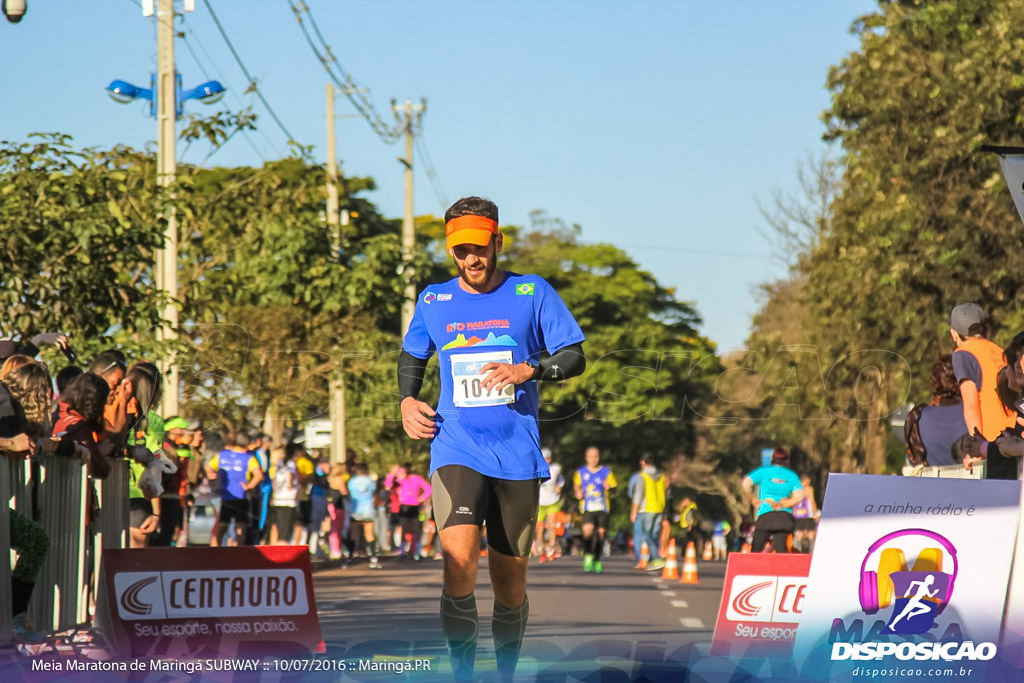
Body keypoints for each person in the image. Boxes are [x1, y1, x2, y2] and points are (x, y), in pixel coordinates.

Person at [397, 196, 586, 681]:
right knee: (458, 562)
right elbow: (413, 355)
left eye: (479, 249)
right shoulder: (434, 300)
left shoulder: (531, 292)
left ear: (497, 242)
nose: (471, 260)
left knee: (509, 582)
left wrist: (530, 369)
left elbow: (574, 356)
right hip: (455, 445)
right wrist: (407, 401)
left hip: (517, 455)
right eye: (461, 252)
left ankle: (504, 672)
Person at [949, 303, 1015, 441]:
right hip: (1015, 433)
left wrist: (976, 445)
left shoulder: (963, 354)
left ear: (954, 334)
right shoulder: (998, 350)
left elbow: (971, 405)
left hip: (994, 438)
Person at [904, 355, 968, 468]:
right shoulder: (976, 413)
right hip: (972, 482)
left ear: (934, 383)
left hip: (932, 484)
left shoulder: (916, 419)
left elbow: (914, 463)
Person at [206, 430, 263, 546]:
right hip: (241, 496)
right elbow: (259, 475)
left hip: (225, 496)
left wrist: (212, 478)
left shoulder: (222, 455)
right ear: (247, 444)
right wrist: (249, 486)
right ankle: (238, 555)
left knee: (221, 527)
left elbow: (208, 468)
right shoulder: (248, 458)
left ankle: (214, 554)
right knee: (240, 528)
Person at [742, 448, 805, 553]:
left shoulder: (763, 471)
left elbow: (745, 484)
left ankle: (753, 568)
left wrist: (753, 499)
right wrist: (787, 503)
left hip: (766, 514)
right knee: (781, 549)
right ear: (787, 461)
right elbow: (800, 496)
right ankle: (782, 568)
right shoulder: (792, 475)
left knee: (756, 549)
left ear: (772, 459)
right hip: (784, 517)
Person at [573, 447, 616, 574]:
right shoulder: (581, 472)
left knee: (601, 534)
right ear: (586, 458)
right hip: (587, 507)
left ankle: (597, 559)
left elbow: (614, 488)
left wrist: (609, 488)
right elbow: (576, 486)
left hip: (603, 508)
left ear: (599, 457)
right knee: (587, 531)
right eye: (591, 456)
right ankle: (587, 555)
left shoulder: (606, 472)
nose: (593, 459)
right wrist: (578, 493)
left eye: (596, 456)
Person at [629, 453, 668, 572]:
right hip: (659, 508)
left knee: (646, 535)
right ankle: (653, 560)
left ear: (642, 462)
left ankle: (656, 558)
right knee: (655, 535)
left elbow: (638, 495)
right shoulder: (661, 476)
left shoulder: (642, 476)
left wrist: (634, 511)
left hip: (647, 509)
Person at [385, 463, 432, 559]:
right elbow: (388, 486)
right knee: (404, 529)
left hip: (415, 506)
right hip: (403, 506)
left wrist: (421, 498)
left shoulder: (415, 478)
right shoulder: (398, 481)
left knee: (416, 529)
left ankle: (416, 552)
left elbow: (428, 489)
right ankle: (403, 552)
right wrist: (392, 474)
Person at [347, 462, 380, 568]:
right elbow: (373, 493)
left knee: (354, 534)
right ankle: (373, 558)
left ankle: (350, 557)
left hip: (356, 510)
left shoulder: (352, 482)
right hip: (368, 510)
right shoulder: (370, 482)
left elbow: (350, 494)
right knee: (369, 535)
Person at [269, 442, 303, 545]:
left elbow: (274, 480)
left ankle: (276, 548)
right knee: (286, 529)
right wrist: (291, 485)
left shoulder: (280, 463)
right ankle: (282, 553)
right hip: (288, 499)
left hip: (279, 498)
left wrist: (274, 493)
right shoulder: (291, 463)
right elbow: (290, 474)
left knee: (279, 527)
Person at [535, 448, 564, 562]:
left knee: (552, 525)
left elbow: (561, 480)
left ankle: (551, 549)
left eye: (548, 458)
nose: (547, 460)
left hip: (552, 500)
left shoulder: (556, 468)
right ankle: (542, 550)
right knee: (540, 528)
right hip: (540, 501)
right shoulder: (535, 468)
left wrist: (559, 487)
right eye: (544, 458)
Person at [791, 475, 818, 553]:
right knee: (811, 535)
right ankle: (811, 555)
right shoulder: (809, 489)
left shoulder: (795, 489)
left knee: (799, 535)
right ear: (806, 480)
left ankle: (796, 553)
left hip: (797, 516)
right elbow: (812, 501)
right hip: (808, 515)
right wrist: (815, 513)